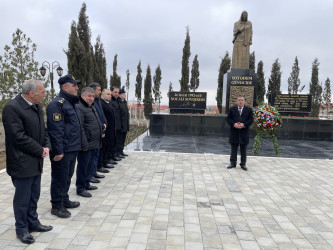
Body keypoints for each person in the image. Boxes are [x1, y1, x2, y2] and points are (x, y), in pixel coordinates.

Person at [2, 79, 52, 244]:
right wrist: (40, 150)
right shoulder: (12, 108)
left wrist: (46, 146)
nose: (44, 95)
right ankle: (22, 229)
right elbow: (17, 137)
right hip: (22, 161)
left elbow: (43, 130)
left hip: (36, 160)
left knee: (34, 195)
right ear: (31, 93)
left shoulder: (36, 106)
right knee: (22, 199)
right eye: (42, 92)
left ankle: (33, 222)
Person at [47, 74, 82, 218]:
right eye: (74, 85)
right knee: (59, 178)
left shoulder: (71, 103)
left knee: (67, 176)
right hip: (63, 149)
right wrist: (58, 151)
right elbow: (55, 130)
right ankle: (57, 206)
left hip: (72, 147)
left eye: (76, 85)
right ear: (64, 87)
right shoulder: (57, 104)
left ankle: (64, 199)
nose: (77, 87)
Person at [76, 87, 103, 198]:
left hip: (94, 142)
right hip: (86, 143)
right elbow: (80, 127)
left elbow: (96, 121)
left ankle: (86, 183)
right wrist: (84, 143)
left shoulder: (91, 106)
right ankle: (80, 188)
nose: (91, 98)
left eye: (92, 96)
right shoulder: (80, 107)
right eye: (89, 96)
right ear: (82, 96)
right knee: (83, 166)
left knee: (89, 165)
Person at [87, 83, 109, 178]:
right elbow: (93, 119)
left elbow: (101, 115)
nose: (99, 92)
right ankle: (90, 175)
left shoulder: (98, 101)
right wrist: (101, 129)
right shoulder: (91, 102)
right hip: (94, 133)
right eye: (98, 90)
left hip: (100, 131)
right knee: (90, 157)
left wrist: (104, 126)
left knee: (95, 155)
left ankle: (93, 173)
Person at [227, 96, 253, 171]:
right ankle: (233, 163)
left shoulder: (249, 110)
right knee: (233, 148)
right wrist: (234, 124)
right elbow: (228, 119)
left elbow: (251, 120)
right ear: (236, 101)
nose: (240, 101)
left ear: (244, 101)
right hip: (234, 132)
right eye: (239, 100)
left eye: (242, 100)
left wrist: (243, 125)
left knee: (243, 149)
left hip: (244, 132)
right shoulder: (232, 109)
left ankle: (243, 164)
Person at [98, 89, 117, 171]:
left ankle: (105, 162)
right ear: (102, 95)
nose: (110, 96)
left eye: (110, 94)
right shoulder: (101, 103)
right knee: (103, 148)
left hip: (110, 130)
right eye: (108, 94)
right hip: (105, 130)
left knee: (107, 147)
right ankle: (100, 164)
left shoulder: (108, 104)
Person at [110, 86, 123, 161]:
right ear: (111, 92)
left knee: (116, 141)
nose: (117, 94)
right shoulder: (111, 101)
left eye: (118, 92)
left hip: (118, 125)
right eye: (115, 92)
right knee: (112, 143)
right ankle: (111, 157)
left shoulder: (117, 101)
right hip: (113, 126)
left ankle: (115, 155)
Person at [118, 89, 130, 157]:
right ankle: (118, 152)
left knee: (123, 139)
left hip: (125, 124)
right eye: (123, 94)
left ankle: (121, 151)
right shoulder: (119, 103)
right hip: (121, 125)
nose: (125, 95)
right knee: (119, 140)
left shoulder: (124, 102)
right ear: (119, 95)